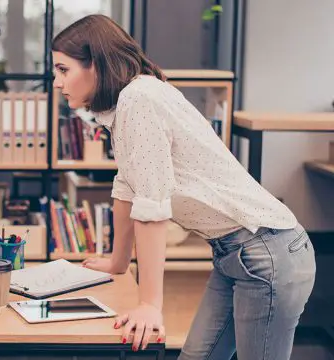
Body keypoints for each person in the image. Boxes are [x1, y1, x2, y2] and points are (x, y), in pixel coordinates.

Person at [51, 14, 315, 360]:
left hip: (266, 253)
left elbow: (151, 207)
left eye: (63, 70)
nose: (56, 82)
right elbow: (127, 187)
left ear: (96, 65)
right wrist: (118, 261)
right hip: (236, 255)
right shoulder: (127, 103)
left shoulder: (138, 99)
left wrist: (149, 304)